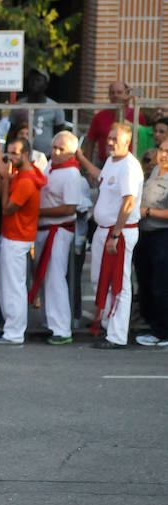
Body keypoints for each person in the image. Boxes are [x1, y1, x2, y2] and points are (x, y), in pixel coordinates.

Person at [76, 122, 144, 349]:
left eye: (115, 139)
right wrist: (82, 159)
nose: (110, 142)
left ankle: (116, 336)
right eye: (109, 138)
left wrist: (115, 235)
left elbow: (129, 202)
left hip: (119, 232)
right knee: (99, 279)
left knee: (119, 284)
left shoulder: (129, 167)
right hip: (104, 230)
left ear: (127, 142)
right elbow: (101, 178)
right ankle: (107, 324)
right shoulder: (112, 162)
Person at [0, 137, 47, 345]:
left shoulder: (25, 180)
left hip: (16, 237)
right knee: (8, 284)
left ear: (26, 155)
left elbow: (7, 208)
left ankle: (14, 333)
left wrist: (6, 183)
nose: (10, 157)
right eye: (9, 153)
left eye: (14, 153)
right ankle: (11, 330)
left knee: (13, 286)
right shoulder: (24, 175)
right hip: (14, 236)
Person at [28, 131, 84, 345]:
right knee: (44, 276)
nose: (55, 152)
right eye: (54, 147)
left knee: (54, 277)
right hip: (44, 229)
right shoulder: (52, 165)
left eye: (61, 149)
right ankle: (49, 323)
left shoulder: (71, 173)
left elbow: (70, 207)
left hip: (58, 231)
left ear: (72, 153)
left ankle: (61, 328)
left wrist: (39, 213)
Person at [133, 139, 168, 346]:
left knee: (160, 285)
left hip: (162, 235)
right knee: (145, 283)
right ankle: (152, 326)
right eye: (162, 150)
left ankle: (162, 331)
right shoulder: (156, 171)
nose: (163, 154)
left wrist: (146, 212)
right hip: (144, 234)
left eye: (167, 151)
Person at [82, 81, 146, 166]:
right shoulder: (99, 116)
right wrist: (87, 166)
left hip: (128, 163)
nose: (115, 95)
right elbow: (90, 141)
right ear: (108, 95)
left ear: (127, 94)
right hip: (104, 163)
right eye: (112, 93)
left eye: (119, 92)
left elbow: (144, 138)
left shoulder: (137, 115)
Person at [9, 67, 66, 156]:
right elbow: (11, 131)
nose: (34, 83)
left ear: (46, 84)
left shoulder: (55, 107)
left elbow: (59, 133)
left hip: (46, 156)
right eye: (31, 80)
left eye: (38, 80)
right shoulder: (19, 105)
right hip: (21, 155)